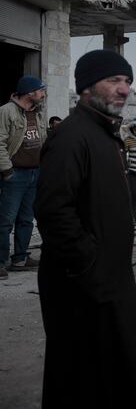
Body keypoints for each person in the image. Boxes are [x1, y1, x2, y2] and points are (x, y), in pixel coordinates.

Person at [34, 49, 136, 408]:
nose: (124, 90)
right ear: (87, 87)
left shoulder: (104, 134)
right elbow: (53, 211)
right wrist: (90, 264)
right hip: (82, 284)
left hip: (107, 278)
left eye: (128, 82)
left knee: (113, 372)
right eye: (114, 80)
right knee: (81, 374)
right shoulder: (71, 137)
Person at [0, 75, 47, 280]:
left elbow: (43, 141)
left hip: (34, 173)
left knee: (27, 219)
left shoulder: (37, 113)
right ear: (30, 93)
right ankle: (1, 262)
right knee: (5, 220)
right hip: (15, 175)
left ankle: (20, 258)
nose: (43, 94)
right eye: (40, 90)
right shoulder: (6, 111)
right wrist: (7, 171)